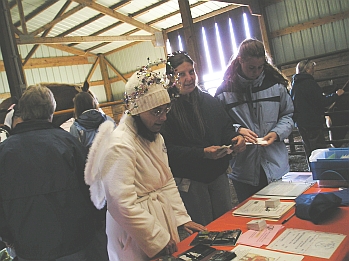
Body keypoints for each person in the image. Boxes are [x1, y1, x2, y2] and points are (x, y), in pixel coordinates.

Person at [84, 67, 206, 261]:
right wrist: (155, 237)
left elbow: (166, 181)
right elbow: (120, 203)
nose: (164, 117)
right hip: (134, 233)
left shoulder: (155, 137)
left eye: (166, 109)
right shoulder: (119, 145)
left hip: (158, 221)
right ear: (137, 112)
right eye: (156, 111)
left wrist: (182, 219)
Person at [0, 85, 97, 261]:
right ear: (51, 111)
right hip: (75, 246)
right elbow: (91, 192)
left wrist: (9, 238)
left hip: (28, 251)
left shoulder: (3, 152)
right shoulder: (69, 143)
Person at [161, 52, 246, 226]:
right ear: (170, 78)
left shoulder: (209, 101)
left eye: (191, 72)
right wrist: (201, 153)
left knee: (226, 224)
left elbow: (225, 128)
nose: (189, 78)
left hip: (218, 175)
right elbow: (167, 150)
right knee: (203, 230)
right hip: (191, 182)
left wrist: (235, 138)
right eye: (181, 74)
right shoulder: (166, 109)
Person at [215, 38, 294, 203]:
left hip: (276, 166)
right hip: (244, 171)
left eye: (260, 67)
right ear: (240, 61)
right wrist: (237, 130)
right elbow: (220, 124)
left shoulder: (276, 86)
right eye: (251, 68)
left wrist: (277, 132)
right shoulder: (224, 92)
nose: (256, 72)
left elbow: (288, 115)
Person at [290, 59, 344, 160]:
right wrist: (336, 95)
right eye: (312, 67)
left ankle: (313, 170)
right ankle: (320, 170)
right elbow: (321, 101)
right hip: (312, 121)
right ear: (307, 69)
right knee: (318, 149)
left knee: (308, 148)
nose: (314, 70)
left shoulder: (295, 84)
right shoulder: (309, 83)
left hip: (301, 122)